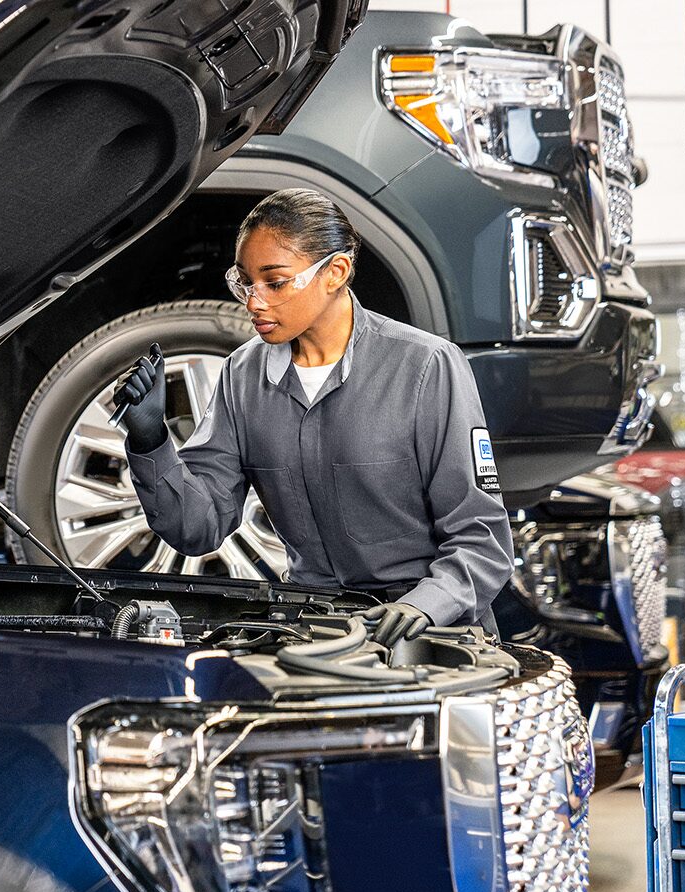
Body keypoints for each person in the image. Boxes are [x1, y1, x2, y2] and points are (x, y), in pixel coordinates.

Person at [110, 189, 513, 645]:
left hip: (431, 639)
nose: (254, 302)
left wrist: (426, 604)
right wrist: (150, 440)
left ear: (336, 272)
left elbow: (482, 542)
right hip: (313, 636)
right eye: (244, 282)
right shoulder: (242, 375)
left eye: (275, 282)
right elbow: (199, 529)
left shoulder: (426, 366)